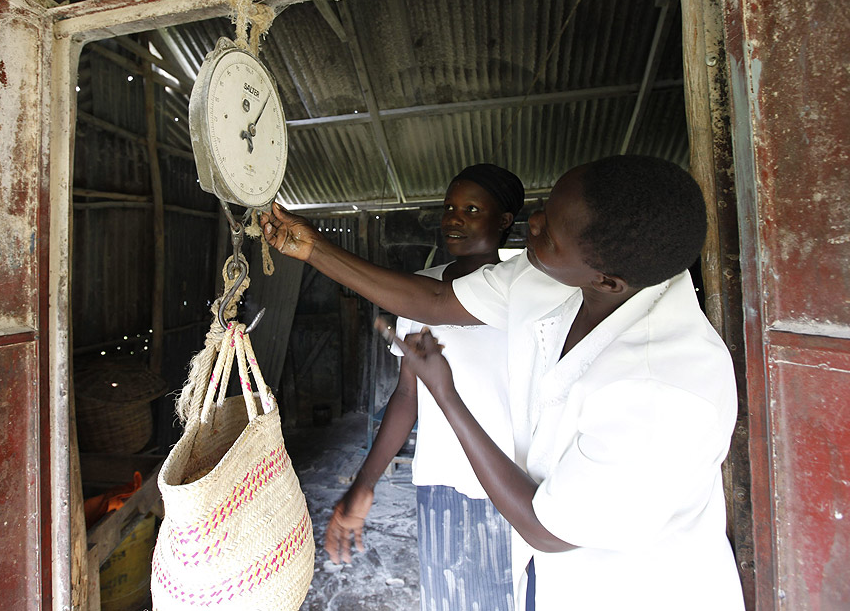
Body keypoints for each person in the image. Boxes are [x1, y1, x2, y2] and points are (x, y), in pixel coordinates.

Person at [259, 155, 744, 610]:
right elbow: (431, 301)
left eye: (550, 232)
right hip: (547, 565)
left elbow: (546, 528)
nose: (533, 224)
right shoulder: (547, 279)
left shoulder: (662, 388)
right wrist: (312, 247)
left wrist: (446, 396)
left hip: (633, 591)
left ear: (606, 280)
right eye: (543, 210)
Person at [325, 164, 555, 611]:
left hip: (511, 484)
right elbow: (407, 397)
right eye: (450, 207)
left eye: (472, 208)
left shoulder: (529, 290)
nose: (454, 218)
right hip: (441, 482)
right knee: (451, 600)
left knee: (513, 599)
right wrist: (365, 483)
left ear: (505, 220)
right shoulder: (420, 287)